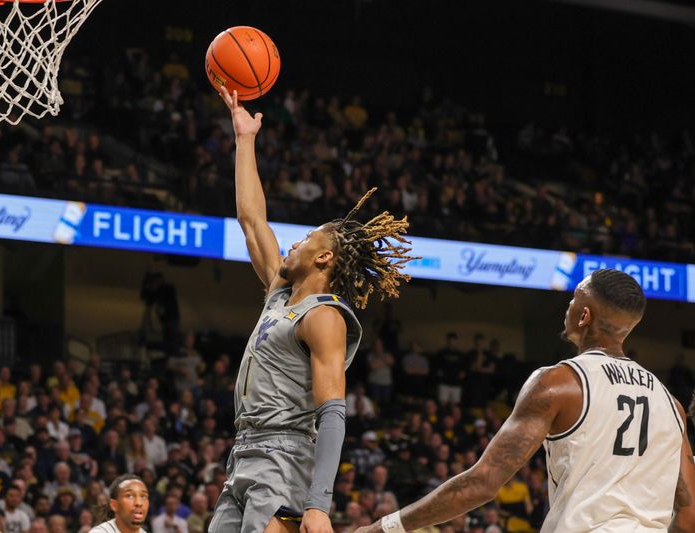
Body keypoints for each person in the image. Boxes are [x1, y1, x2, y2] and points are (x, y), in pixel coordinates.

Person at [210, 87, 415, 533]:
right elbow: (251, 219)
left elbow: (333, 413)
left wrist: (320, 503)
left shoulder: (324, 316)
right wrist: (245, 139)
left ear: (324, 259)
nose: (295, 242)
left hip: (285, 457)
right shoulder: (279, 294)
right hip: (243, 452)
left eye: (306, 239)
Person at [356, 269, 695, 532]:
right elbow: (688, 514)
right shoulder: (671, 404)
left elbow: (483, 483)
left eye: (574, 299)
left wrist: (385, 526)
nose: (569, 305)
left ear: (584, 316)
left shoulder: (559, 383)